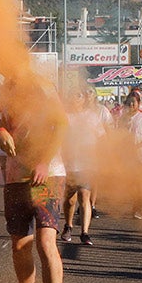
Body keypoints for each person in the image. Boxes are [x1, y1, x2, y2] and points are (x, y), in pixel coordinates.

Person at [0, 73, 70, 283]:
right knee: (19, 245)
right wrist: (2, 132)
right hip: (15, 176)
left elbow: (61, 124)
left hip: (47, 174)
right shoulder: (5, 89)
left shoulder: (43, 85)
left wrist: (44, 161)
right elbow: (1, 123)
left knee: (45, 241)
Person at [62, 87, 111, 243]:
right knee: (70, 199)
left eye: (79, 96)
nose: (75, 99)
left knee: (84, 195)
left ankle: (84, 232)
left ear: (83, 100)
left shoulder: (92, 117)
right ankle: (68, 226)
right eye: (73, 96)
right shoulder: (65, 117)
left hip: (87, 162)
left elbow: (102, 136)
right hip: (69, 163)